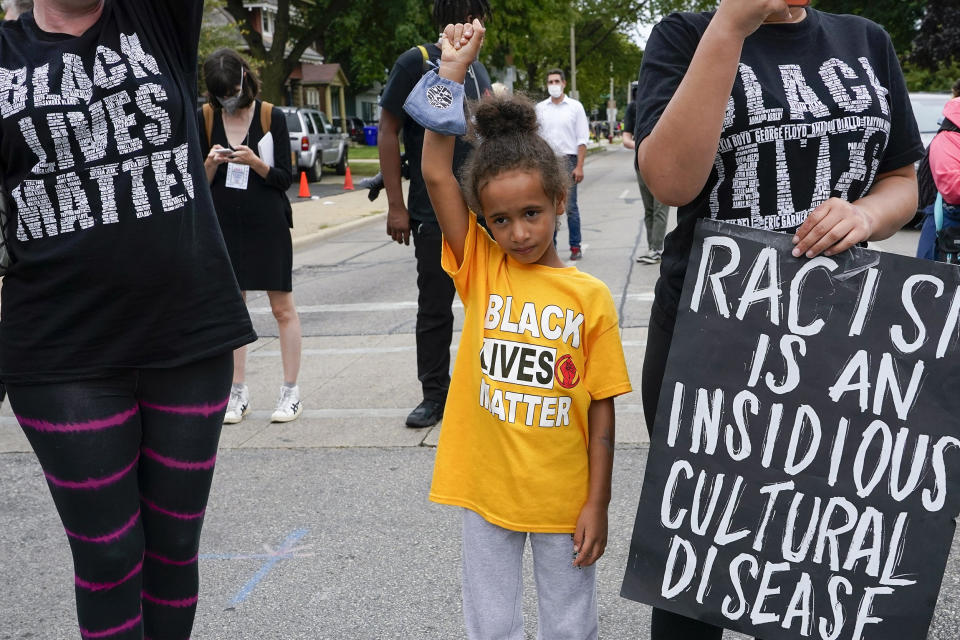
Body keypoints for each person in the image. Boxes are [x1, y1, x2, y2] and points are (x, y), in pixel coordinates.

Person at [632, 1, 923, 639]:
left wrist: (866, 216)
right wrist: (732, 26)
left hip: (837, 344)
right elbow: (670, 181)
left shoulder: (865, 40)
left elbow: (905, 179)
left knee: (818, 559)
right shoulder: (685, 35)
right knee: (699, 558)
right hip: (708, 335)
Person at [0, 1, 257, 638]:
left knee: (173, 549)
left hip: (188, 337)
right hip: (62, 356)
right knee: (110, 555)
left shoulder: (155, 18)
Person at [417, 20, 632, 638]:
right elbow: (436, 172)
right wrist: (449, 74)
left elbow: (602, 413)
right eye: (501, 219)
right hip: (485, 490)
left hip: (564, 496)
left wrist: (599, 500)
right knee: (491, 625)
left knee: (570, 624)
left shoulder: (589, 297)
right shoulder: (482, 267)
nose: (518, 233)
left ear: (560, 200)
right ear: (484, 220)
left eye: (532, 213)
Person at [379, 0, 492, 429]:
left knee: (491, 307)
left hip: (483, 208)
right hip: (432, 209)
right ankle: (435, 395)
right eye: (465, 14)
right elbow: (389, 132)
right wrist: (396, 205)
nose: (472, 23)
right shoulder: (418, 62)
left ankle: (488, 390)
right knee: (435, 309)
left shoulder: (479, 70)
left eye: (478, 15)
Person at [200, 48, 302, 424]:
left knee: (282, 308)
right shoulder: (206, 116)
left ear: (244, 79)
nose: (227, 98)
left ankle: (290, 392)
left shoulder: (270, 115)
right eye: (219, 92)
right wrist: (209, 164)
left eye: (231, 90)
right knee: (233, 310)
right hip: (225, 225)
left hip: (267, 223)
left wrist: (256, 163)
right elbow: (198, 186)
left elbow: (284, 179)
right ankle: (236, 392)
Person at [535, 68, 589, 261]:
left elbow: (582, 139)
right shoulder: (540, 109)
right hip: (546, 161)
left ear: (564, 83)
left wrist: (579, 166)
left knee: (570, 207)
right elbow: (536, 139)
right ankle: (551, 247)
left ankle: (575, 246)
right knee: (548, 207)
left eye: (556, 81)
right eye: (550, 82)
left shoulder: (575, 107)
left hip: (569, 161)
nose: (553, 85)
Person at [622, 83, 670, 265]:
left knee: (660, 209)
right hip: (642, 164)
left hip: (665, 164)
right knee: (649, 209)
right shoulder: (634, 107)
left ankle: (657, 248)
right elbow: (626, 138)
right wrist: (642, 146)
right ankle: (652, 247)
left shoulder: (667, 102)